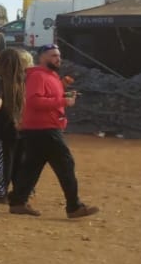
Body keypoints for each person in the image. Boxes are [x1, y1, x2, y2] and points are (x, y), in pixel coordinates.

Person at [13, 45, 100, 218]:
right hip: (45, 128)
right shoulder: (38, 75)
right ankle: (74, 206)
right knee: (65, 165)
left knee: (32, 166)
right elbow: (35, 101)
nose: (58, 59)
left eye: (58, 55)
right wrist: (63, 101)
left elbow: (46, 96)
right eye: (53, 55)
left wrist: (63, 92)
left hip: (40, 128)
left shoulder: (49, 76)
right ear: (42, 57)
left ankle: (18, 202)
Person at [0, 48, 29, 206]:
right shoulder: (23, 80)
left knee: (1, 160)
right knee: (18, 160)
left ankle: (0, 192)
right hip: (20, 126)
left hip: (1, 127)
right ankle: (18, 190)